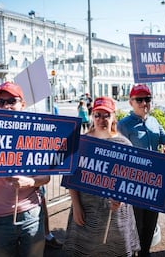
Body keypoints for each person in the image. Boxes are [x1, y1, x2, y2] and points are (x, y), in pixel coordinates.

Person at [63, 96, 140, 256]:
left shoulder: (124, 144)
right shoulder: (81, 142)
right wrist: (76, 205)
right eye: (97, 115)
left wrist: (121, 198)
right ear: (92, 116)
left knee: (114, 251)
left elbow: (131, 180)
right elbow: (71, 177)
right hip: (85, 209)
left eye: (106, 115)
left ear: (113, 118)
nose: (101, 119)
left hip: (116, 212)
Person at [0, 81, 50, 257]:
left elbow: (46, 177)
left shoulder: (35, 135)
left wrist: (29, 181)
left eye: (12, 101)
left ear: (22, 104)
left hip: (30, 214)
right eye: (1, 102)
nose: (6, 106)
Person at [117, 84, 165, 257]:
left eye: (147, 99)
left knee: (150, 226)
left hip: (154, 184)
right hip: (134, 184)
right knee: (136, 226)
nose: (144, 103)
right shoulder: (124, 125)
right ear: (131, 102)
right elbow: (120, 156)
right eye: (140, 99)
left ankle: (145, 253)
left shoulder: (153, 122)